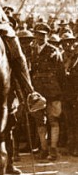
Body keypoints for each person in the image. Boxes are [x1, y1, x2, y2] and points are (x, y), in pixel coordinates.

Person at [30, 23, 65, 161]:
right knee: (39, 121)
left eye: (43, 35)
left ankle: (53, 149)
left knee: (53, 119)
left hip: (52, 90)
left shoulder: (53, 51)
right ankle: (43, 149)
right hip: (37, 90)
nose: (40, 37)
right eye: (38, 34)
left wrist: (59, 91)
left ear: (47, 36)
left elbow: (61, 73)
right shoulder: (32, 51)